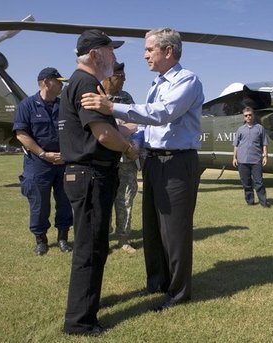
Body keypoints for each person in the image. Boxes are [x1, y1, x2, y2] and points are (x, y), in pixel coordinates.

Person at [80, 27, 204, 312]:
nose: (145, 55)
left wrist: (111, 107)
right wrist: (126, 138)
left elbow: (162, 114)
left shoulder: (186, 80)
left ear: (168, 51)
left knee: (174, 231)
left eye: (150, 50)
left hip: (177, 162)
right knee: (152, 228)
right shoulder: (157, 84)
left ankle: (178, 292)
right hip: (154, 161)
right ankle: (157, 282)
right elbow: (147, 124)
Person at [59, 29, 139, 336]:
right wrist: (130, 148)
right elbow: (103, 134)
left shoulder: (78, 82)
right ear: (95, 55)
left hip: (84, 175)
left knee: (92, 246)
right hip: (91, 175)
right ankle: (79, 322)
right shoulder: (87, 83)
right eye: (111, 51)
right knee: (90, 249)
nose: (115, 58)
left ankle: (87, 306)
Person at [13, 67, 73, 256]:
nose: (62, 84)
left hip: (63, 161)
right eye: (58, 81)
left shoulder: (64, 105)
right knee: (39, 203)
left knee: (65, 201)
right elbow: (21, 134)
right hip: (38, 162)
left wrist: (67, 153)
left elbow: (74, 130)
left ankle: (63, 238)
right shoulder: (27, 105)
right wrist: (43, 154)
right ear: (47, 82)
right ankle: (41, 240)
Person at [102, 62, 140, 253]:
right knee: (102, 199)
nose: (124, 80)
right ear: (108, 76)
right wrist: (121, 130)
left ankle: (123, 239)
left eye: (124, 76)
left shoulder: (126, 98)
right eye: (120, 77)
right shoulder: (96, 96)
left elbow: (136, 126)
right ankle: (103, 238)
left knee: (126, 199)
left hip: (126, 159)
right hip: (103, 158)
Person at [232, 105, 270, 207]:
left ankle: (264, 202)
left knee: (259, 182)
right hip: (242, 161)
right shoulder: (240, 129)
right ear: (244, 117)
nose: (248, 117)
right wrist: (234, 158)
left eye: (250, 115)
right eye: (246, 115)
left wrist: (265, 156)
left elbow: (264, 143)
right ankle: (250, 201)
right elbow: (236, 145)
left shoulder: (260, 128)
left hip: (256, 160)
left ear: (253, 115)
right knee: (246, 183)